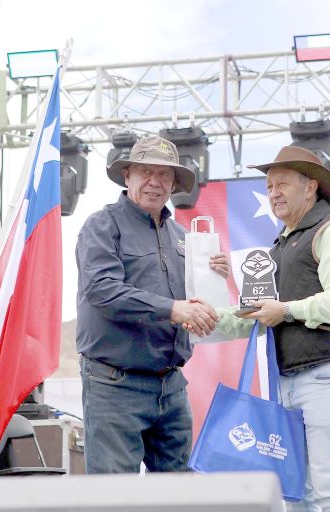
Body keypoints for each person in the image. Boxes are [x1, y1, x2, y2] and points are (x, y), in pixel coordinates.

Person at [211, 145, 330, 511]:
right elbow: (257, 313)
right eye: (268, 187)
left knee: (328, 487)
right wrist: (203, 318)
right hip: (290, 380)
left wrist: (285, 311)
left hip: (327, 374)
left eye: (281, 184)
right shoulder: (280, 247)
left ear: (311, 187)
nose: (273, 193)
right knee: (296, 490)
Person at [76, 135, 229, 475]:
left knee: (180, 498)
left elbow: (199, 307)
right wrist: (173, 309)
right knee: (115, 498)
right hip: (114, 384)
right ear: (127, 175)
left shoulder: (182, 237)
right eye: (145, 171)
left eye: (164, 175)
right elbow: (102, 290)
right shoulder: (102, 226)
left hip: (171, 385)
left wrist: (216, 279)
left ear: (174, 184)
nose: (154, 182)